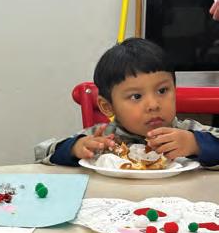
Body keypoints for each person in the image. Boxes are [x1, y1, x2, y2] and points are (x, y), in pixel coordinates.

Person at [35, 37, 219, 167]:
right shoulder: (103, 139)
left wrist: (197, 145)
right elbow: (41, 152)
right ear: (108, 106)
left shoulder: (188, 132)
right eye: (136, 96)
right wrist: (74, 149)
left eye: (162, 91)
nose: (153, 105)